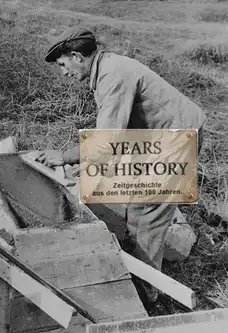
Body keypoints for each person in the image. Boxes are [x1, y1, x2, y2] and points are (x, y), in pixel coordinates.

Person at [37, 26, 207, 307]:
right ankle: (136, 269)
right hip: (155, 136)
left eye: (63, 65)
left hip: (175, 137)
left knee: (148, 213)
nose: (64, 73)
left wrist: (65, 156)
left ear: (78, 56)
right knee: (135, 199)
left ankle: (145, 295)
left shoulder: (112, 76)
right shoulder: (105, 68)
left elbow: (107, 140)